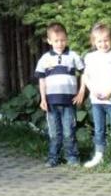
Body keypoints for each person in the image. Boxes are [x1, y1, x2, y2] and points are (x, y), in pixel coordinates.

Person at [34, 23, 84, 167]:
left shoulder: (73, 56)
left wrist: (81, 91)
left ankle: (72, 157)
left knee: (69, 131)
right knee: (54, 133)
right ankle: (53, 158)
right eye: (56, 41)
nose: (60, 43)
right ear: (49, 41)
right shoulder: (44, 59)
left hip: (69, 101)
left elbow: (85, 73)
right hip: (51, 102)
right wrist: (43, 99)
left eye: (62, 40)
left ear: (66, 39)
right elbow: (41, 80)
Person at [79, 22, 111, 169]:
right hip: (96, 100)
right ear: (93, 42)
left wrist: (110, 92)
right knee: (99, 129)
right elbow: (86, 77)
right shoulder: (90, 57)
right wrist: (93, 90)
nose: (103, 44)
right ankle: (99, 155)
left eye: (106, 40)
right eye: (99, 41)